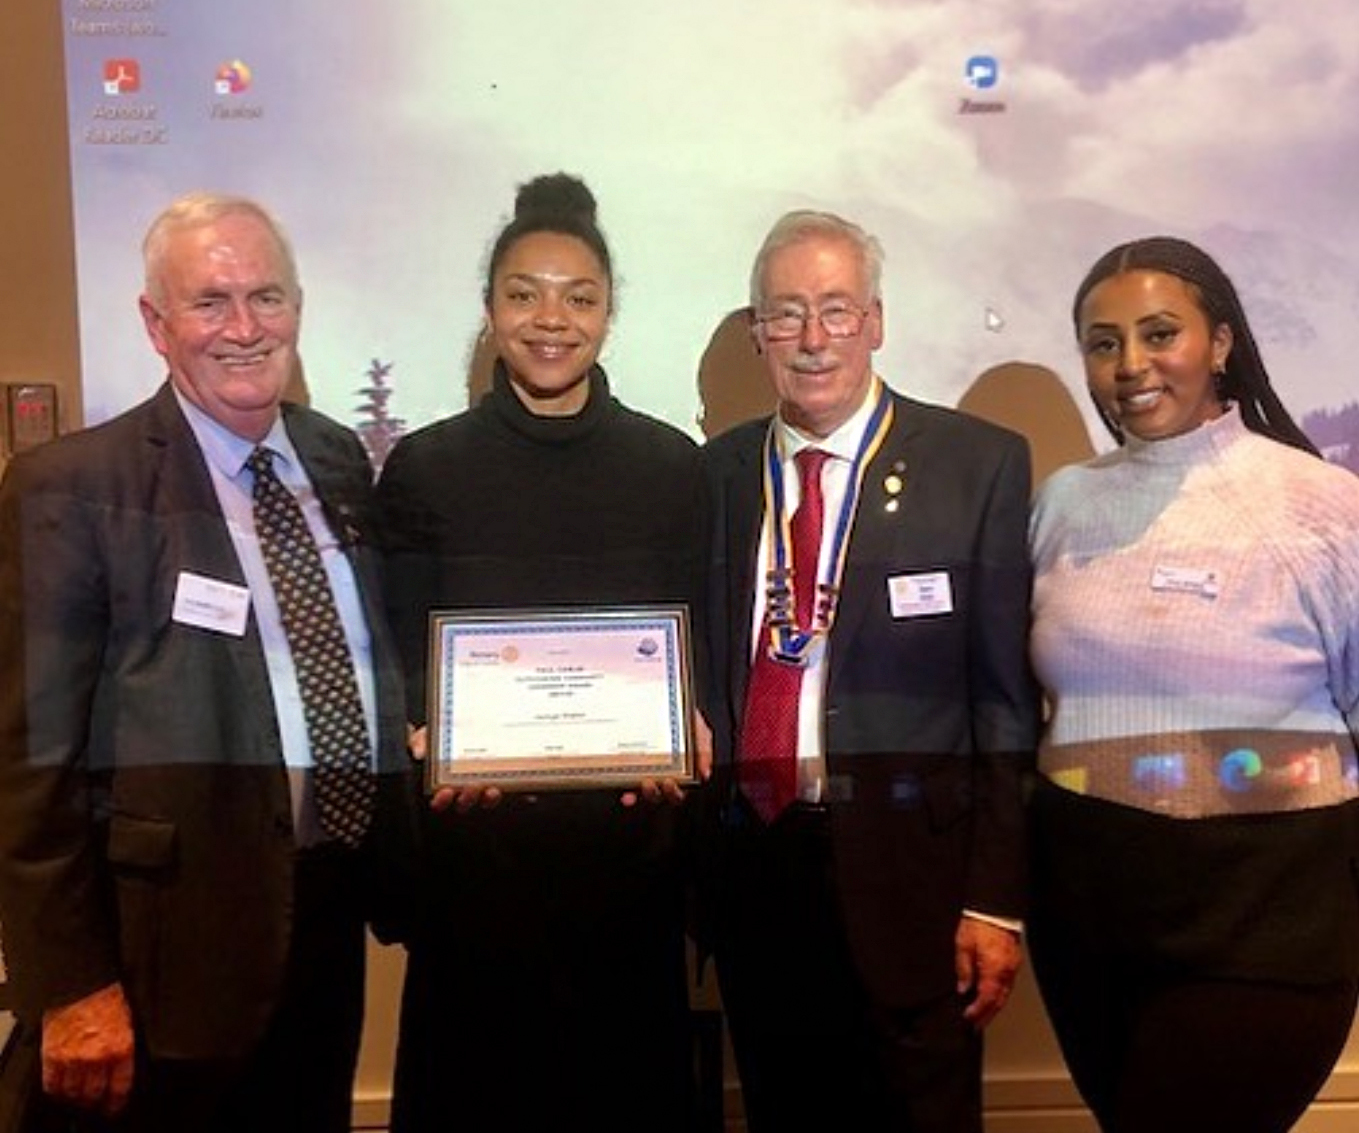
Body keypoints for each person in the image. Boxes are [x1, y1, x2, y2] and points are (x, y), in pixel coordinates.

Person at [0, 192, 414, 1133]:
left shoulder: (337, 459)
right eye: (210, 302)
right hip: (162, 953)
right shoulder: (73, 488)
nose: (243, 328)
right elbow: (31, 765)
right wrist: (69, 986)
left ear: (298, 309)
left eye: (267, 298)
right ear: (155, 323)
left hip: (322, 913)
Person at [377, 173, 709, 1132]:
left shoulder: (668, 469)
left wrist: (681, 739)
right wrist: (425, 740)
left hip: (628, 872)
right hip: (476, 881)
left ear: (608, 314)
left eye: (579, 296)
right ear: (490, 311)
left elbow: (697, 655)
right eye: (524, 294)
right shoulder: (427, 466)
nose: (550, 319)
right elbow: (402, 656)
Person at [701, 209, 1037, 1131]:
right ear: (756, 330)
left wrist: (995, 903)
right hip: (758, 877)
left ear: (876, 322)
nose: (812, 341)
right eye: (786, 314)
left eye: (837, 311)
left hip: (917, 891)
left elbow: (1005, 705)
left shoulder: (975, 467)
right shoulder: (717, 476)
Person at [1028, 236, 1359, 1133]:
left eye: (1158, 333)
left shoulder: (1319, 507)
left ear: (1218, 343)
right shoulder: (1061, 502)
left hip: (1264, 923)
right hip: (1086, 923)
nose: (1129, 365)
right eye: (1102, 343)